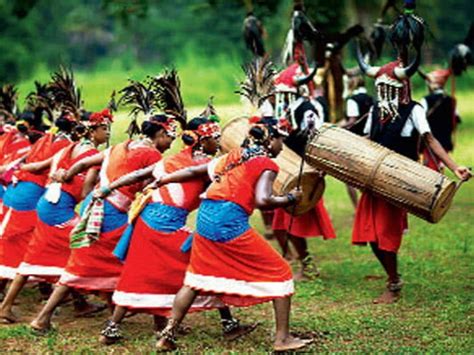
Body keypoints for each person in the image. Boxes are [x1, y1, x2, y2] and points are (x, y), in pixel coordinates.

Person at [154, 116, 313, 352]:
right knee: (279, 271)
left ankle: (167, 336)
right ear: (271, 139)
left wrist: (165, 179)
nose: (283, 147)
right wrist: (290, 198)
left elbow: (196, 171)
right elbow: (264, 200)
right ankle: (282, 339)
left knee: (196, 279)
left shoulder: (235, 154)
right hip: (228, 221)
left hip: (206, 218)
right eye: (282, 141)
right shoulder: (267, 164)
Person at [96, 117, 253, 345]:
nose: (218, 143)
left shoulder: (171, 159)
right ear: (203, 141)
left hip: (146, 220)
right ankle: (227, 325)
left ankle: (112, 329)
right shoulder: (205, 166)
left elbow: (139, 175)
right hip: (165, 224)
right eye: (215, 139)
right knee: (204, 266)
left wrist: (108, 188)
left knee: (140, 274)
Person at [354, 4, 472, 304]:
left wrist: (455, 167)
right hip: (372, 181)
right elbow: (366, 140)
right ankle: (393, 279)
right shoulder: (375, 112)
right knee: (371, 238)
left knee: (386, 238)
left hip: (398, 181)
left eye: (387, 89)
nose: (382, 95)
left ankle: (393, 283)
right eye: (379, 89)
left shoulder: (415, 109)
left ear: (399, 87)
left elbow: (431, 141)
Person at [29, 114, 177, 332]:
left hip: (95, 205)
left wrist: (67, 174)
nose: (171, 144)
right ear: (162, 134)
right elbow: (150, 185)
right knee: (136, 260)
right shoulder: (152, 154)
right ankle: (159, 322)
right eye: (170, 139)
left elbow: (86, 162)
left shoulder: (120, 146)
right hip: (111, 213)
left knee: (91, 263)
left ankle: (118, 314)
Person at [0, 109, 112, 323]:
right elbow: (86, 191)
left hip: (46, 205)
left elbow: (37, 167)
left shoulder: (67, 148)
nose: (107, 134)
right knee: (88, 247)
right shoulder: (91, 156)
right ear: (93, 131)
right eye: (104, 129)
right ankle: (110, 305)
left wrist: (17, 169)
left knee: (34, 259)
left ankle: (7, 308)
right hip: (58, 209)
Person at [0, 114, 76, 287]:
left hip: (18, 192)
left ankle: (45, 288)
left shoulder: (47, 138)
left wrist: (18, 168)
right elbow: (39, 167)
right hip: (28, 198)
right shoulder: (65, 145)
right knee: (43, 246)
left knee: (23, 245)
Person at [419, 69, 460, 171]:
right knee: (440, 169)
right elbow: (456, 120)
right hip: (445, 141)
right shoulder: (451, 100)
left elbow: (419, 120)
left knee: (430, 170)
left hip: (430, 141)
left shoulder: (426, 100)